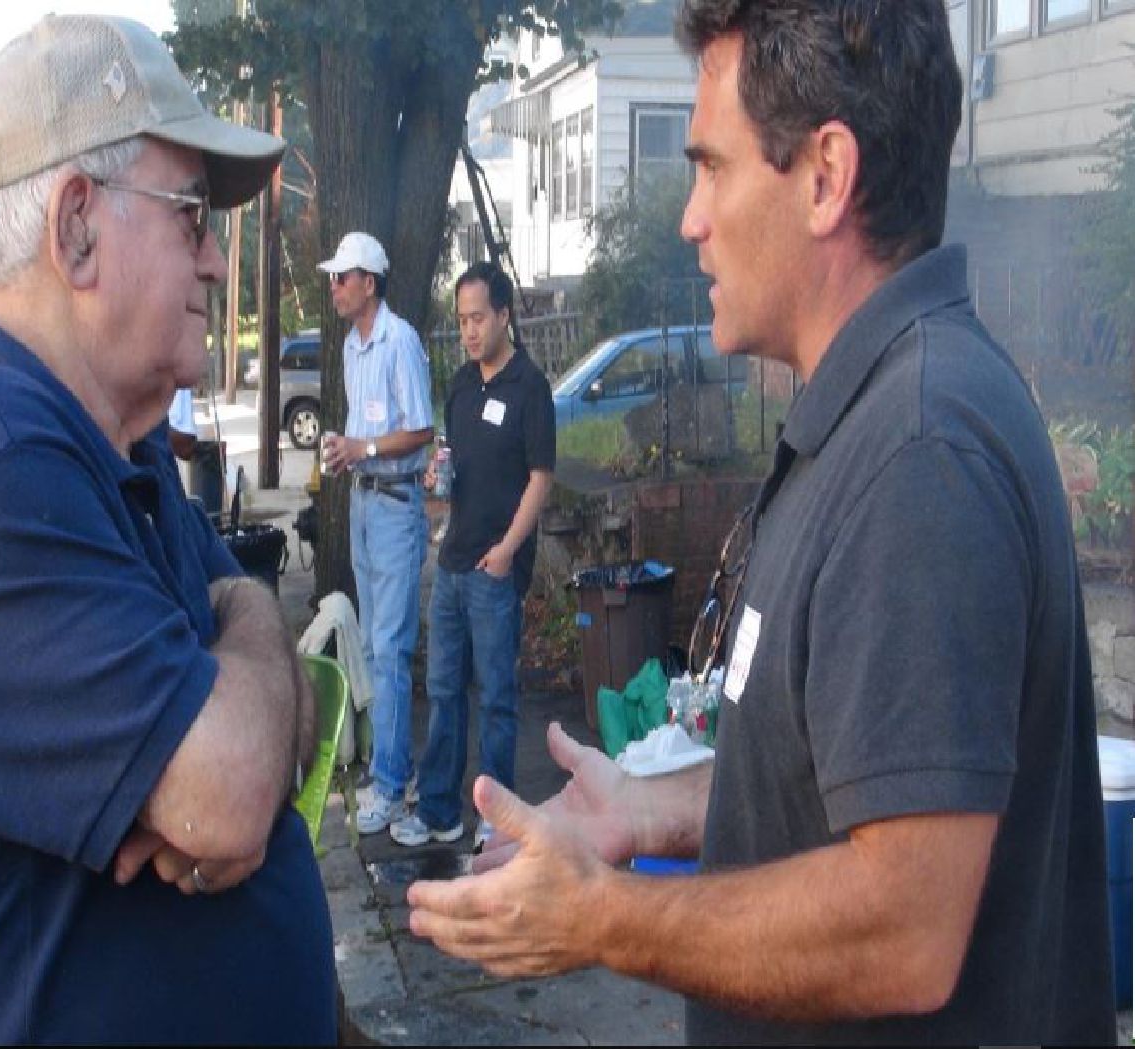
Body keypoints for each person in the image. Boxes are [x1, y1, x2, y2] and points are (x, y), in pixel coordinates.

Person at [406, 2, 1116, 1043]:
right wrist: (652, 809)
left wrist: (602, 918)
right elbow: (836, 780)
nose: (690, 218)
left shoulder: (918, 451)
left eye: (711, 168)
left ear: (824, 177)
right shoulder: (867, 413)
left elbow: (904, 926)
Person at [0, 15, 335, 1043]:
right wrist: (242, 648)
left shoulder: (112, 445)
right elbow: (235, 786)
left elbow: (286, 726)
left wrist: (242, 630)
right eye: (192, 215)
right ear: (75, 228)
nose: (214, 260)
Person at [389, 263, 554, 850]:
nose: (469, 331)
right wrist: (438, 480)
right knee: (443, 692)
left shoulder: (529, 387)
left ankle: (499, 818)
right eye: (462, 321)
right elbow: (453, 460)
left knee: (497, 699)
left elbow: (540, 478)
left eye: (478, 318)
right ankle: (440, 811)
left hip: (495, 567)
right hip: (453, 562)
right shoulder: (460, 384)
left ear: (504, 315)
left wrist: (508, 551)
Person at [318, 232, 434, 834]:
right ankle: (395, 770)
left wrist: (361, 447)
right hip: (365, 501)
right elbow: (366, 429)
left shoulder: (400, 340)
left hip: (394, 505)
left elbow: (421, 430)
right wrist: (347, 452)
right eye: (333, 279)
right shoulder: (351, 346)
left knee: (389, 649)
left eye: (342, 278)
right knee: (372, 646)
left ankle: (390, 787)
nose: (334, 287)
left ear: (369, 282)